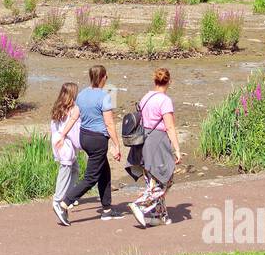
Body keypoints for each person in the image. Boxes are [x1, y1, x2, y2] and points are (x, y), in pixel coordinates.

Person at [55, 65, 122, 223]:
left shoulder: (83, 94)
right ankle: (64, 204)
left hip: (84, 138)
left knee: (104, 172)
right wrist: (117, 145)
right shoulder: (105, 96)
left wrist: (63, 134)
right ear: (103, 77)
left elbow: (73, 117)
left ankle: (106, 210)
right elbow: (109, 124)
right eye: (106, 77)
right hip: (98, 140)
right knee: (91, 177)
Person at [128, 69, 184, 228]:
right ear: (169, 82)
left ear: (155, 80)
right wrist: (177, 149)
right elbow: (170, 127)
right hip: (157, 141)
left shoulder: (146, 97)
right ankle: (139, 204)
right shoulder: (164, 100)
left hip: (143, 140)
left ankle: (159, 216)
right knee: (166, 179)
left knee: (152, 178)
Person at [49, 83, 82, 227]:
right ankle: (59, 201)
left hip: (58, 141)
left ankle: (67, 198)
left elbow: (54, 126)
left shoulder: (58, 107)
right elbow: (72, 126)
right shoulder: (73, 109)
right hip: (65, 143)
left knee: (74, 170)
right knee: (66, 171)